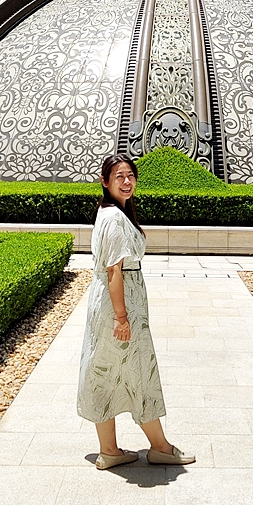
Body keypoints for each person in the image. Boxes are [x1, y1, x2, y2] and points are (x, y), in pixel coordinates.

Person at [76, 153, 195, 470]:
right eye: (119, 176)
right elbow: (114, 271)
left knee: (106, 370)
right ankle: (160, 447)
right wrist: (122, 317)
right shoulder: (115, 219)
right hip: (119, 305)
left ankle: (110, 450)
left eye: (130, 175)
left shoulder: (112, 212)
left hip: (110, 303)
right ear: (105, 182)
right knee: (140, 372)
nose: (127, 181)